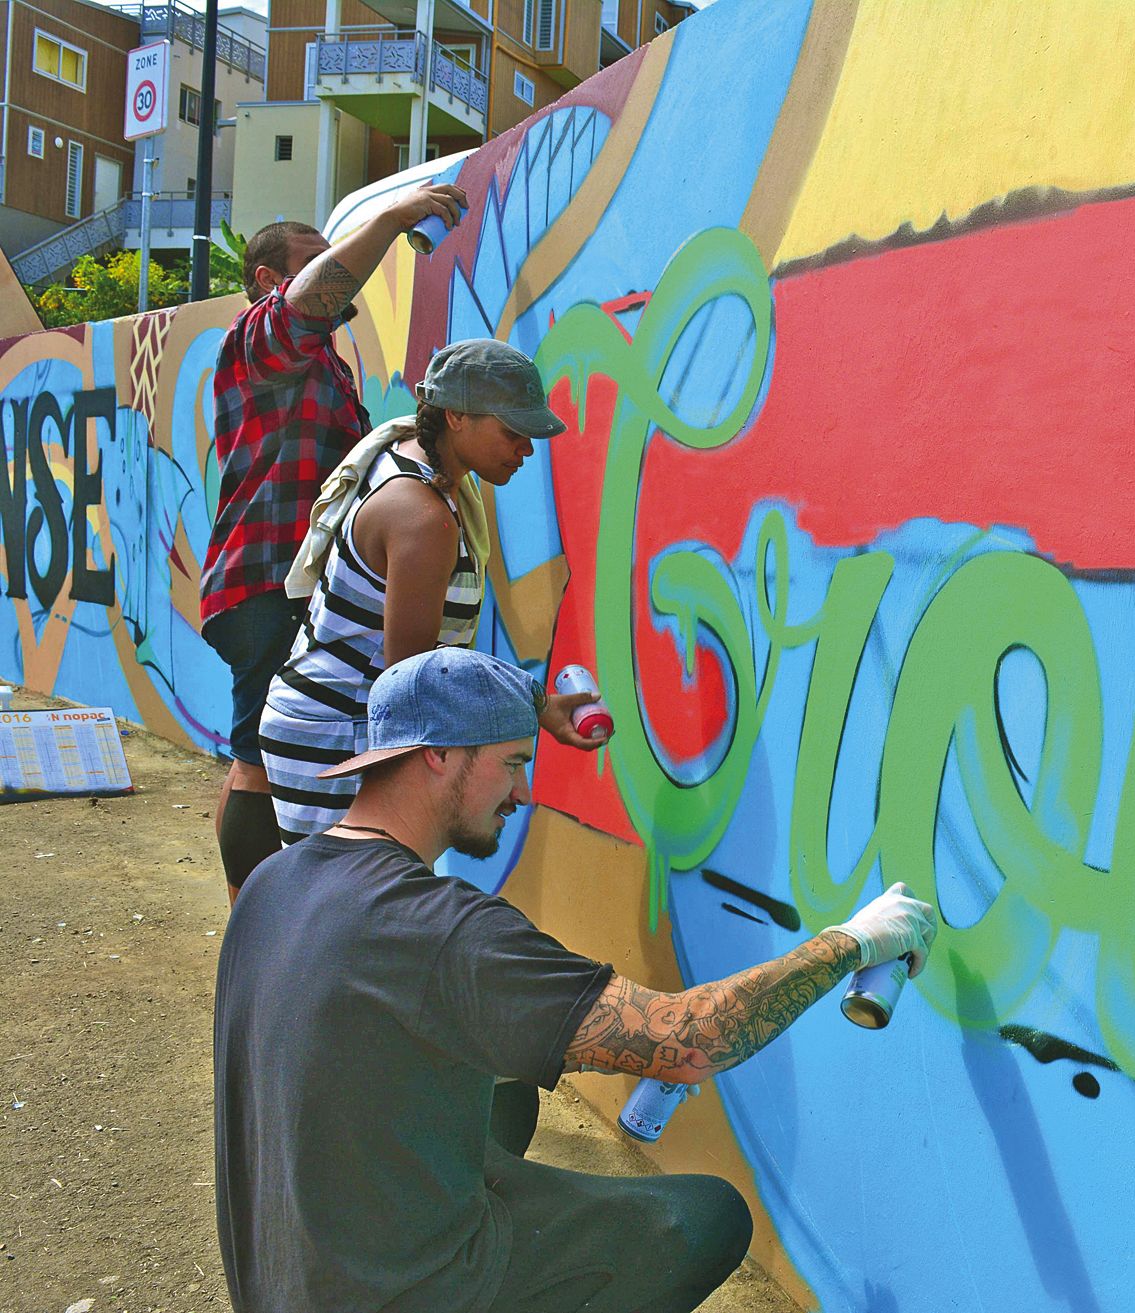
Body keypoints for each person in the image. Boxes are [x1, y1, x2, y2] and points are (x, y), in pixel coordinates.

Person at [214, 647, 938, 1312]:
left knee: (508, 1090)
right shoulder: (438, 928)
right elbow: (690, 1040)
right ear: (436, 755)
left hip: (286, 1276)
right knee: (707, 1216)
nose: (522, 791)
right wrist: (853, 941)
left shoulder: (278, 880)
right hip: (390, 1290)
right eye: (511, 763)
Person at [199, 185, 467, 901]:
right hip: (263, 577)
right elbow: (308, 303)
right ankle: (260, 924)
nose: (340, 273)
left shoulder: (320, 366)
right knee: (261, 761)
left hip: (271, 582)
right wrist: (387, 217)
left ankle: (253, 923)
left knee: (252, 757)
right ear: (267, 280)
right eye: (317, 260)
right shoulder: (258, 338)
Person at [257, 338, 605, 845]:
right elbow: (414, 679)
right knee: (342, 904)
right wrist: (532, 703)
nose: (526, 448)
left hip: (341, 723)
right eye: (512, 431)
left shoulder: (416, 468)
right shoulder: (422, 516)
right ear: (457, 416)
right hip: (338, 732)